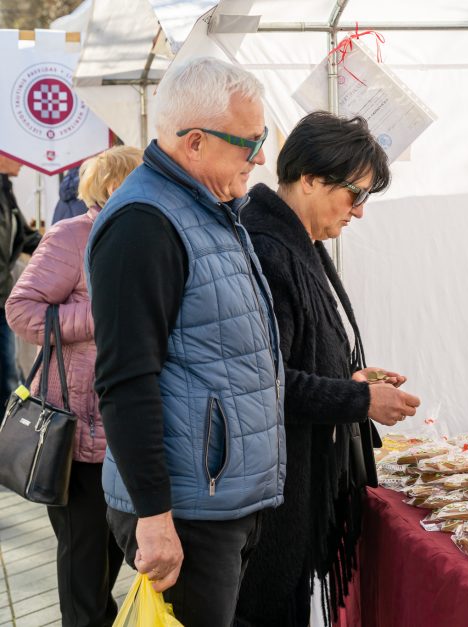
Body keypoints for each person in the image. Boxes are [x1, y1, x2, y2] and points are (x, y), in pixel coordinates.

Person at [85, 57, 285, 626]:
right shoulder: (144, 223)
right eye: (251, 142)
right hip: (184, 512)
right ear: (195, 143)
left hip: (218, 501)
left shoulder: (208, 208)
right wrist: (154, 516)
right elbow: (124, 380)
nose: (261, 156)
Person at [235, 111, 421, 626]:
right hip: (269, 500)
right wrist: (359, 400)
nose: (359, 212)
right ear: (311, 179)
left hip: (291, 489)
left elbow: (295, 357)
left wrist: (353, 379)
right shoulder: (269, 248)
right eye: (354, 194)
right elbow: (265, 383)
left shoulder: (298, 241)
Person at [6, 145, 142, 627]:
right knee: (84, 566)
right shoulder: (72, 236)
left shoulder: (143, 238)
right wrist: (100, 316)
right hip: (76, 435)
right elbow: (21, 311)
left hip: (125, 434)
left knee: (108, 561)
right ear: (113, 186)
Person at [0, 155, 40, 399]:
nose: (23, 161)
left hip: (2, 298)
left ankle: (8, 434)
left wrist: (61, 242)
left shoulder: (5, 191)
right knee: (8, 377)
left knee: (8, 376)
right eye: (16, 154)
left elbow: (25, 237)